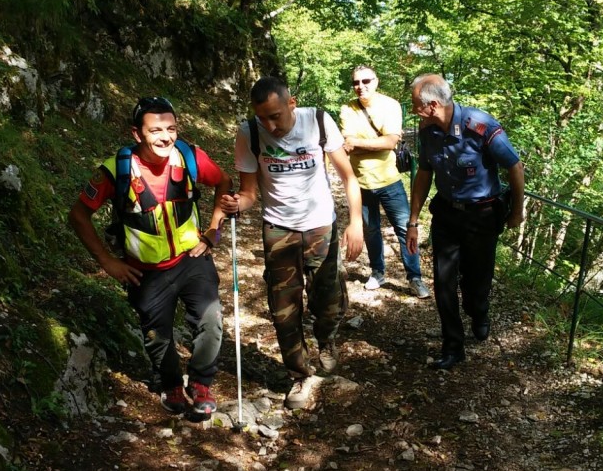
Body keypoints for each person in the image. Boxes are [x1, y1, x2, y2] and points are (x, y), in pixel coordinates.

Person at [69, 96, 233, 419]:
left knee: (211, 320)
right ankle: (171, 383)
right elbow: (78, 216)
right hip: (145, 273)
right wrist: (107, 261)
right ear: (137, 134)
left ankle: (201, 383)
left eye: (171, 128)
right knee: (157, 336)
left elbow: (223, 182)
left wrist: (213, 230)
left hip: (192, 259)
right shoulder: (116, 169)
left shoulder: (188, 157)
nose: (165, 137)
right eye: (155, 130)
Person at [219, 76, 364, 410]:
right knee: (284, 309)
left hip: (320, 226)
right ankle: (299, 375)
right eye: (263, 118)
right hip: (278, 229)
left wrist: (356, 223)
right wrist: (236, 205)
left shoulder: (318, 122)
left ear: (292, 103)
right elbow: (250, 193)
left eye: (276, 116)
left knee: (327, 301)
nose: (271, 125)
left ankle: (326, 340)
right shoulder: (249, 133)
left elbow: (348, 176)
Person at [405, 74, 525, 371]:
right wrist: (413, 220)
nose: (413, 111)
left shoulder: (480, 126)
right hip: (447, 214)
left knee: (476, 282)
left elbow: (515, 165)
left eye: (415, 105)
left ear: (432, 105)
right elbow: (424, 173)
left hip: (482, 216)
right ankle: (453, 346)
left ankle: (479, 311)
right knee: (444, 282)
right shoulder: (427, 130)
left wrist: (517, 212)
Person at [340, 65, 431, 299]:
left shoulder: (390, 105)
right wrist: (374, 140)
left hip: (390, 180)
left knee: (404, 228)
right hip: (361, 183)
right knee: (371, 231)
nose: (361, 86)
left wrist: (359, 143)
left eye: (366, 81)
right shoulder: (347, 109)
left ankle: (415, 278)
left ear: (376, 81)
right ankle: (377, 272)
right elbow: (346, 140)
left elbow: (390, 142)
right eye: (356, 83)